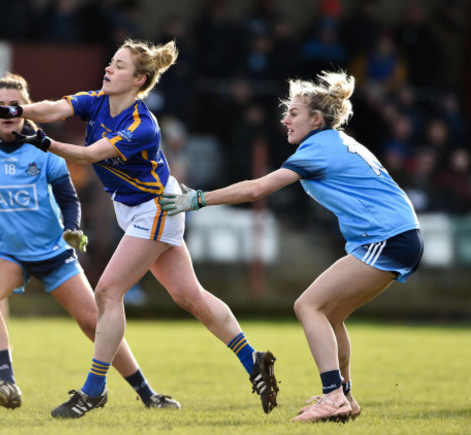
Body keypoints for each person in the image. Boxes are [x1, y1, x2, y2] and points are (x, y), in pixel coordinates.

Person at [0, 39, 279, 419]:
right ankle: (253, 360)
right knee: (190, 296)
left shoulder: (142, 126)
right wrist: (16, 109)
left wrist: (41, 140)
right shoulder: (96, 100)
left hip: (156, 208)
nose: (108, 69)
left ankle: (93, 390)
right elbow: (54, 107)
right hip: (138, 209)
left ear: (139, 79)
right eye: (110, 62)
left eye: (118, 66)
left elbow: (89, 155)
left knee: (107, 291)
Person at [159, 71, 424, 423]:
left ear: (316, 119)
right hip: (395, 236)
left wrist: (199, 199)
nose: (285, 119)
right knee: (331, 314)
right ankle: (344, 396)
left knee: (307, 305)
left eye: (294, 113)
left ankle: (333, 397)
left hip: (388, 237)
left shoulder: (319, 148)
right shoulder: (334, 141)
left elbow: (258, 189)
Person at [0, 72, 180, 411]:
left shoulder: (44, 148)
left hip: (52, 250)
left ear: (26, 111)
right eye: (1, 106)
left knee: (94, 322)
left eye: (16, 106)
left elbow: (69, 198)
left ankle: (147, 393)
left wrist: (72, 227)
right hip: (4, 252)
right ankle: (8, 383)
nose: (9, 112)